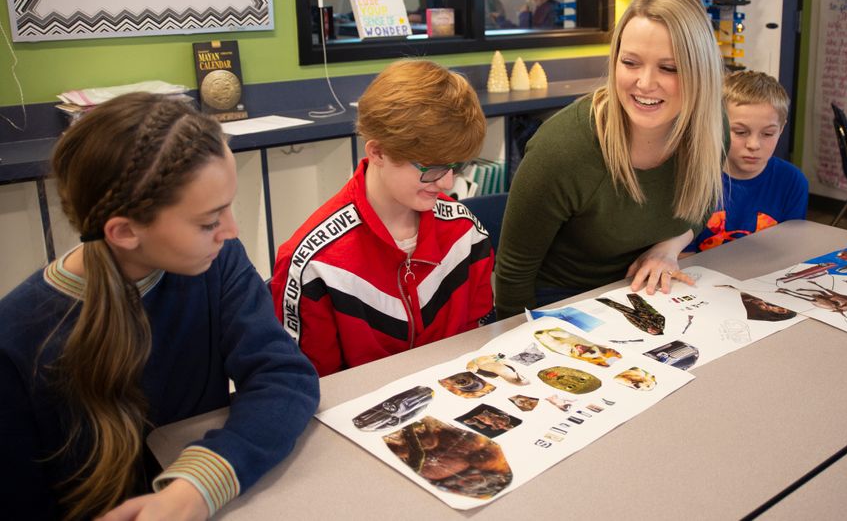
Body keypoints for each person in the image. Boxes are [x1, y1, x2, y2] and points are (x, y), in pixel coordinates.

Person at [0, 93, 319, 520]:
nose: (231, 229)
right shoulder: (16, 340)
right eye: (209, 221)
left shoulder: (218, 260)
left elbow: (284, 376)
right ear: (125, 231)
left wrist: (200, 484)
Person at [495, 0, 725, 319]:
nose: (645, 83)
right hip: (562, 301)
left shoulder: (713, 128)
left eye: (669, 68)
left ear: (700, 72)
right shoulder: (563, 148)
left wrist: (669, 247)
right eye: (630, 63)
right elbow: (514, 272)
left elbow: (701, 205)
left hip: (645, 290)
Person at [271, 60, 495, 376]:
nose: (447, 184)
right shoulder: (316, 265)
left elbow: (479, 341)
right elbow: (311, 388)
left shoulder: (465, 232)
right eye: (432, 169)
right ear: (377, 153)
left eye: (456, 167)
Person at [689, 70, 808, 252]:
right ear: (717, 124)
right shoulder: (694, 177)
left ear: (781, 129)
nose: (753, 145)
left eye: (767, 134)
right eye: (740, 132)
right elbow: (680, 256)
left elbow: (789, 251)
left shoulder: (792, 182)